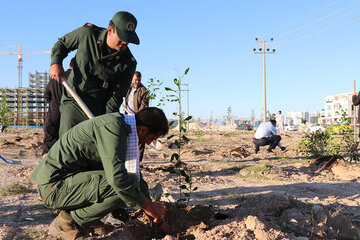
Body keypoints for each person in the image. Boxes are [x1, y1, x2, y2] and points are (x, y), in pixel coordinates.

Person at [30, 107, 173, 239]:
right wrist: (148, 206)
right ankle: (66, 222)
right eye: (152, 139)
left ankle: (88, 220)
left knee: (129, 182)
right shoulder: (114, 129)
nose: (148, 143)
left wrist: (158, 221)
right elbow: (118, 179)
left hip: (69, 184)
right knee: (121, 185)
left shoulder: (124, 128)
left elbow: (137, 178)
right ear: (143, 130)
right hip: (55, 188)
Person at [49, 11, 139, 137]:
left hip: (98, 109)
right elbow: (62, 44)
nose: (125, 43)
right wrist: (56, 63)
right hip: (74, 100)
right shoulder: (88, 34)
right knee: (67, 147)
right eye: (122, 38)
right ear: (110, 30)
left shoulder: (128, 63)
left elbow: (116, 97)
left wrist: (106, 122)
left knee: (92, 151)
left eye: (128, 39)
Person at [42, 58, 75, 156]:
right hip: (69, 113)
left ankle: (46, 157)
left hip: (54, 110)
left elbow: (46, 94)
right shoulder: (75, 79)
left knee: (50, 135)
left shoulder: (56, 77)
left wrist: (53, 102)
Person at [124, 71, 149, 162]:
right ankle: (129, 160)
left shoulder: (144, 91)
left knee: (140, 140)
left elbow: (144, 106)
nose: (137, 82)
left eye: (139, 80)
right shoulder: (128, 88)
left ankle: (138, 162)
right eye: (135, 80)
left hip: (138, 118)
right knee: (128, 139)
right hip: (127, 116)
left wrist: (137, 117)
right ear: (132, 79)